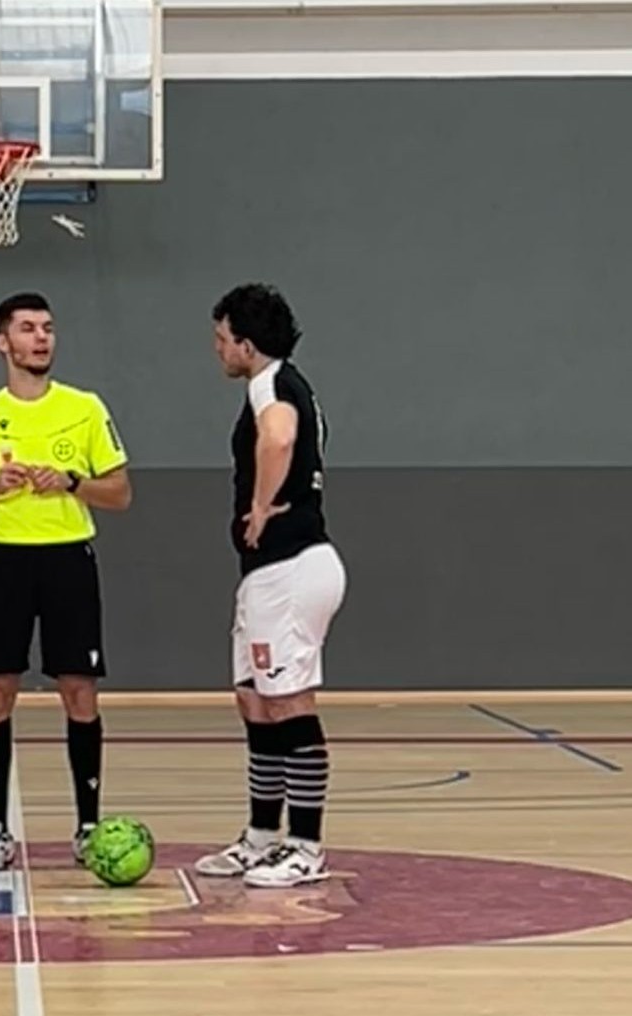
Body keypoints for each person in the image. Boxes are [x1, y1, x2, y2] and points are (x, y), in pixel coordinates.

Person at [0, 291, 132, 870]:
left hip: (69, 558)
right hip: (5, 561)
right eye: (27, 328)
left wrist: (71, 481)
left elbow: (120, 493)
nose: (41, 337)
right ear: (2, 342)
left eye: (47, 327)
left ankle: (88, 825)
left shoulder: (85, 407)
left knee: (79, 688)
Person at [195, 282, 347, 889]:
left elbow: (279, 436)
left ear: (247, 344)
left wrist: (260, 506)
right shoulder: (283, 382)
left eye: (221, 339)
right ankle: (262, 837)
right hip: (268, 575)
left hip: (292, 567)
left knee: (288, 702)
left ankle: (306, 847)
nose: (217, 349)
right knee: (254, 699)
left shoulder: (272, 383)